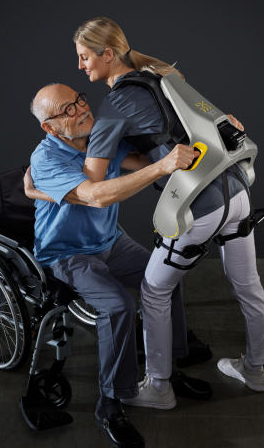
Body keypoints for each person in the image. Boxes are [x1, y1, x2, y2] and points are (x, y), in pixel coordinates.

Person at [71, 17, 264, 407]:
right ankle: (255, 369)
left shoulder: (115, 103)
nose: (81, 67)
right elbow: (217, 124)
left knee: (153, 291)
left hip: (197, 205)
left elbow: (93, 182)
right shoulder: (164, 76)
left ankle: (159, 387)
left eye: (84, 57)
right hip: (236, 192)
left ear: (108, 54)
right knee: (248, 284)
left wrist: (85, 149)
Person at [27, 83, 199, 448]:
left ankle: (167, 368)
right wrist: (163, 167)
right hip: (68, 253)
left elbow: (149, 162)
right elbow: (97, 196)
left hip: (111, 242)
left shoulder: (99, 138)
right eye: (67, 110)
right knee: (120, 305)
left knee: (167, 275)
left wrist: (199, 141)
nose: (80, 110)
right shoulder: (46, 158)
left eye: (79, 100)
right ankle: (111, 402)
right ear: (50, 126)